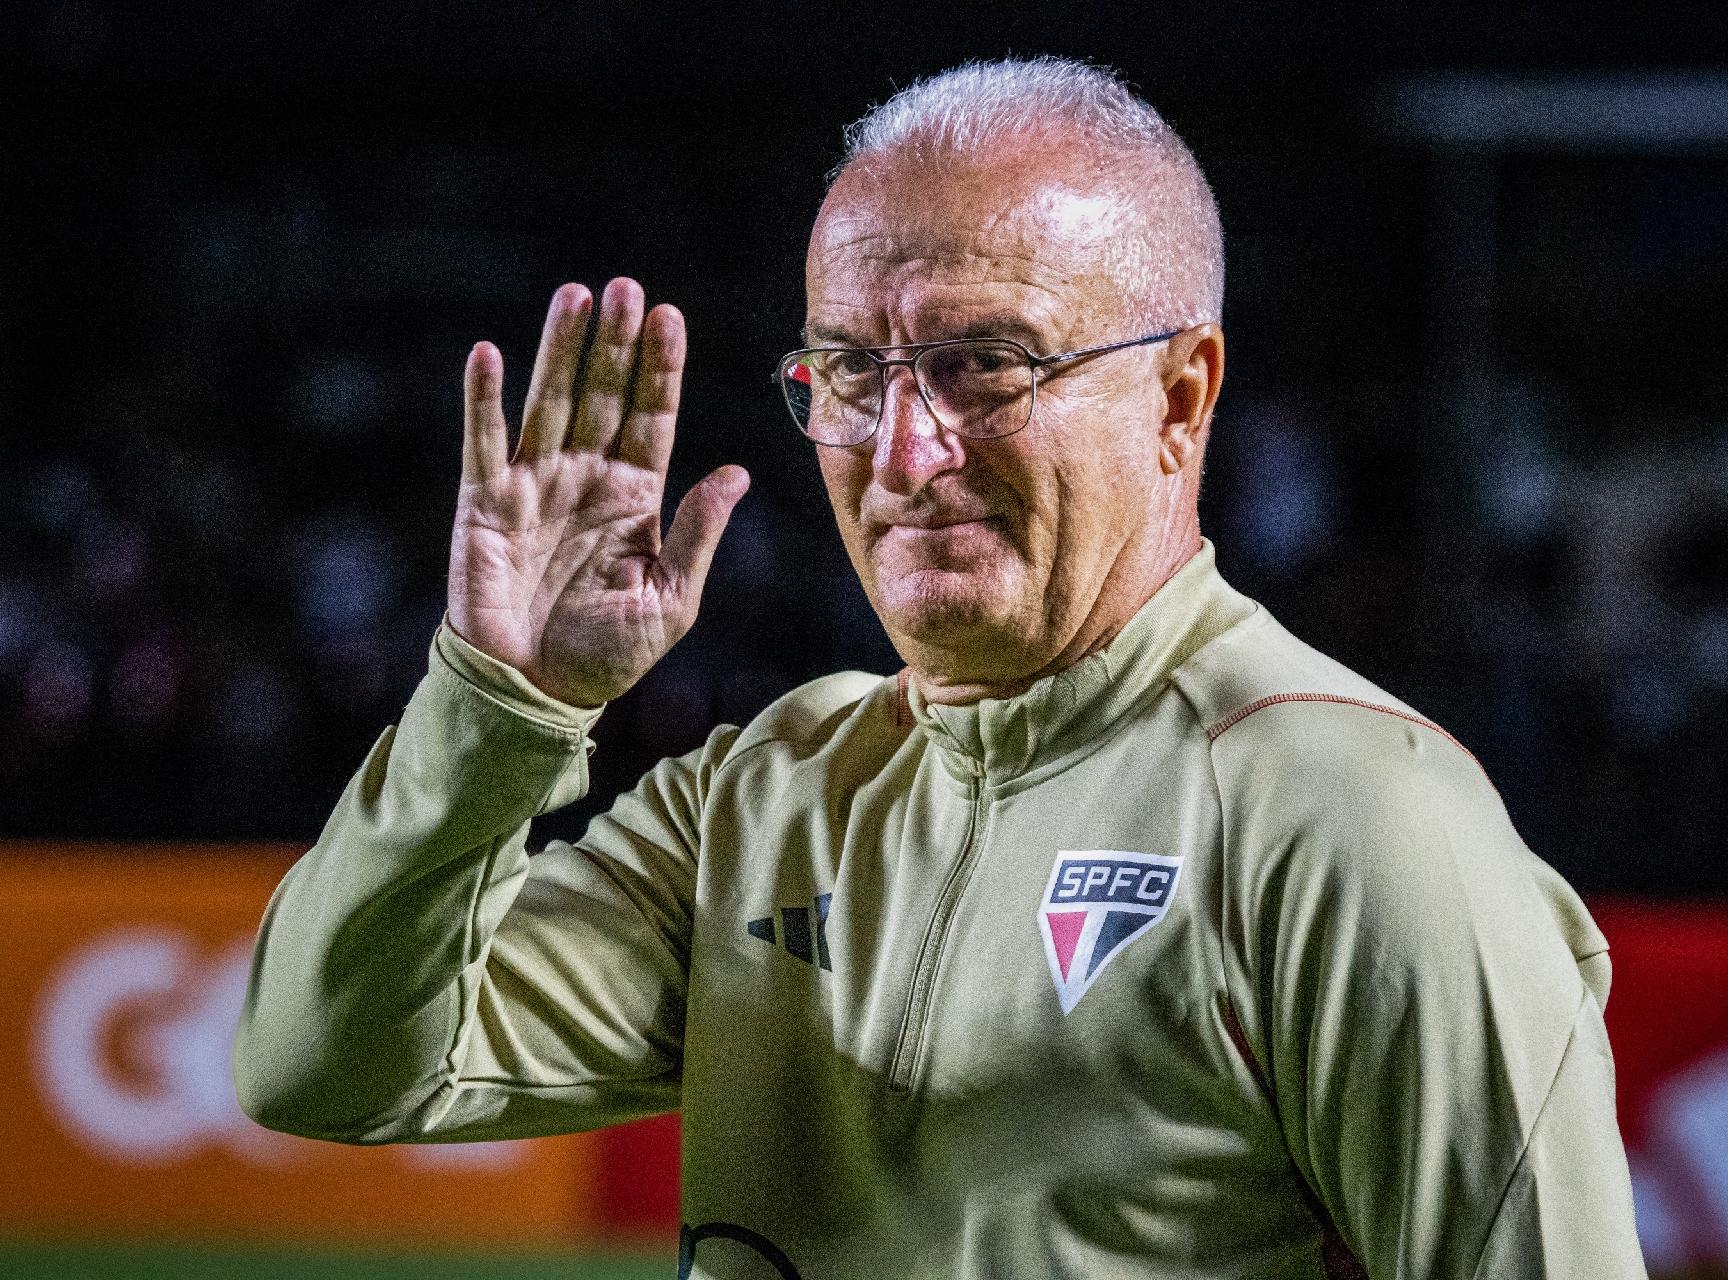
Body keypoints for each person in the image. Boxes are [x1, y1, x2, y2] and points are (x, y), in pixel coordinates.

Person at [234, 57, 1646, 1279]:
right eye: (852, 372)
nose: (905, 452)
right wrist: (501, 706)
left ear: (1180, 395)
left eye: (986, 365)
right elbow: (329, 1069)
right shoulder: (764, 798)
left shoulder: (1350, 818)